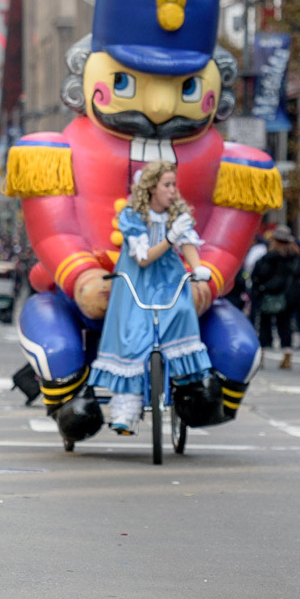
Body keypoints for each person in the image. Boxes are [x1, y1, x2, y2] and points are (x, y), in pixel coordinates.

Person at [89, 162, 213, 434]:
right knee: (134, 336)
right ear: (152, 187)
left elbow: (188, 243)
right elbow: (143, 259)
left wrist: (198, 267)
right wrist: (170, 237)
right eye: (167, 185)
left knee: (181, 311)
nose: (173, 191)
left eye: (173, 185)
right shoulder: (133, 215)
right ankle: (126, 408)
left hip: (168, 278)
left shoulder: (177, 212)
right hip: (136, 281)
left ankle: (178, 383)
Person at [251, 227, 300, 370]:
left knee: (265, 325)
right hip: (289, 297)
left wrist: (259, 289)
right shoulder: (296, 257)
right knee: (285, 326)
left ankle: (262, 356)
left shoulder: (269, 257)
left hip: (269, 295)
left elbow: (259, 275)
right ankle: (287, 355)